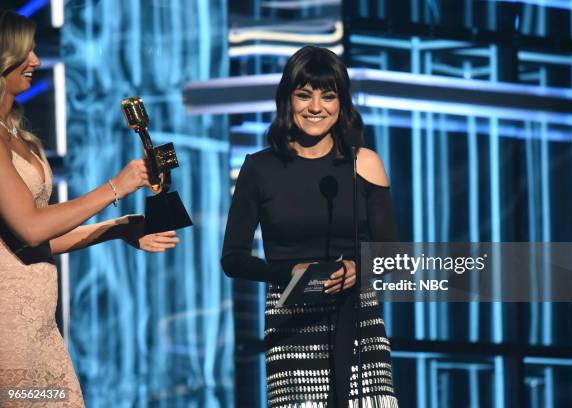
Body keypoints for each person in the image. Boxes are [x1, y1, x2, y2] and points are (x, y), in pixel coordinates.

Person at [0, 9, 179, 407]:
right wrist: (117, 185)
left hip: (42, 331)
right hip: (7, 336)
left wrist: (119, 227)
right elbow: (30, 228)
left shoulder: (21, 137)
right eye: (26, 53)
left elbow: (38, 241)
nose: (36, 61)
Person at [222, 46, 398, 407]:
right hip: (292, 323)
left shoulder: (364, 164)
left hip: (357, 317)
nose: (316, 107)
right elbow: (233, 258)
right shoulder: (259, 168)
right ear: (288, 99)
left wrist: (356, 268)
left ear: (341, 102)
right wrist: (290, 272)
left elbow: (391, 253)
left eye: (328, 96)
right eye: (305, 95)